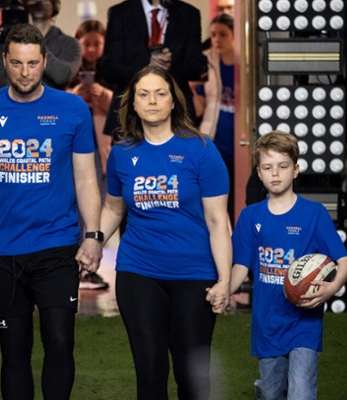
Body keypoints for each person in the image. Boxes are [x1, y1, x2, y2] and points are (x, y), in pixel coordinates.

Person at [0, 24, 102, 400]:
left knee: (59, 344)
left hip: (57, 247)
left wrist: (93, 236)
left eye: (32, 63)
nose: (24, 72)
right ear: (4, 61)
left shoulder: (71, 109)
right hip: (2, 250)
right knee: (13, 353)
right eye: (16, 63)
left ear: (45, 62)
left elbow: (87, 179)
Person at [99, 65, 231, 400]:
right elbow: (114, 208)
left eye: (161, 93)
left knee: (192, 379)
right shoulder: (122, 152)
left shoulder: (201, 149)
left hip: (194, 274)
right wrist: (92, 243)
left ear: (174, 101)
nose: (152, 101)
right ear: (133, 104)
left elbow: (218, 221)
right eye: (144, 94)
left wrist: (225, 280)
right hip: (138, 272)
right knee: (150, 374)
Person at [213, 130, 347, 399]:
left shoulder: (314, 214)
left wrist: (331, 287)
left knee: (300, 392)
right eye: (268, 167)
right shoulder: (250, 216)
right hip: (268, 323)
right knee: (271, 390)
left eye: (283, 166)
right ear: (259, 173)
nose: (275, 173)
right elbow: (241, 265)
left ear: (296, 170)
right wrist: (225, 290)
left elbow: (344, 261)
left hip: (304, 322)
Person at [100, 0, 207, 139]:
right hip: (130, 117)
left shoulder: (189, 14)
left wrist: (170, 66)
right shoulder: (120, 13)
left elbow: (197, 66)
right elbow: (108, 68)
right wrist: (147, 66)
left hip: (176, 117)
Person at [69, 19, 112, 291]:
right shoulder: (68, 70)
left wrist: (103, 95)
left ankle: (91, 264)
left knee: (103, 205)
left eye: (97, 43)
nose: (93, 49)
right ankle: (77, 266)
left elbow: (123, 105)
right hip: (77, 149)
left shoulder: (112, 71)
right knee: (79, 206)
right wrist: (76, 95)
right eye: (87, 44)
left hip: (105, 148)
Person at [0, 0, 81, 94]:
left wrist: (32, 37)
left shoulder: (69, 43)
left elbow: (62, 77)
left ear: (55, 6)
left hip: (49, 112)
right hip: (11, 112)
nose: (37, 2)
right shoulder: (6, 40)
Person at [192, 13, 235, 222]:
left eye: (223, 34)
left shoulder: (245, 64)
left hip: (240, 138)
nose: (217, 39)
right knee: (217, 195)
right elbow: (199, 109)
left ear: (235, 36)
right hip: (215, 135)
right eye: (214, 34)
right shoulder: (206, 62)